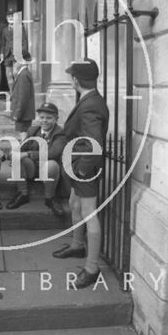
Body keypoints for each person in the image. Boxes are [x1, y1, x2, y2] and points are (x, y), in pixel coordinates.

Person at [52, 59, 109, 289]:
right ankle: (77, 245)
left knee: (89, 213)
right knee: (74, 205)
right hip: (77, 168)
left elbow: (94, 142)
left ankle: (92, 268)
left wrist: (82, 169)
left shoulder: (91, 104)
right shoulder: (89, 99)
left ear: (76, 80)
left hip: (84, 169)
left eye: (71, 77)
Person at [6, 102, 66, 217]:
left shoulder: (60, 133)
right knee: (18, 158)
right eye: (42, 117)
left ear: (56, 119)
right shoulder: (33, 130)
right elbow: (21, 148)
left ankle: (50, 198)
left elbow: (53, 153)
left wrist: (27, 154)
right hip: (33, 168)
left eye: (49, 118)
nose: (44, 121)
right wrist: (13, 153)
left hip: (49, 171)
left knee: (51, 164)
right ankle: (23, 194)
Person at [1, 7, 28, 90]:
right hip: (7, 55)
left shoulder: (20, 27)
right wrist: (1, 53)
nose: (10, 18)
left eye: (12, 16)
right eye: (9, 16)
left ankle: (17, 94)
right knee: (8, 75)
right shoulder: (4, 30)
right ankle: (12, 95)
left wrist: (22, 52)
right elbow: (3, 43)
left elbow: (24, 41)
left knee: (16, 73)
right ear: (6, 18)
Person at [10, 53, 35, 135]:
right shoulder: (22, 74)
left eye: (16, 61)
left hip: (23, 115)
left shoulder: (23, 75)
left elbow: (23, 97)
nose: (14, 64)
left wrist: (18, 114)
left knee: (24, 136)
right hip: (24, 114)